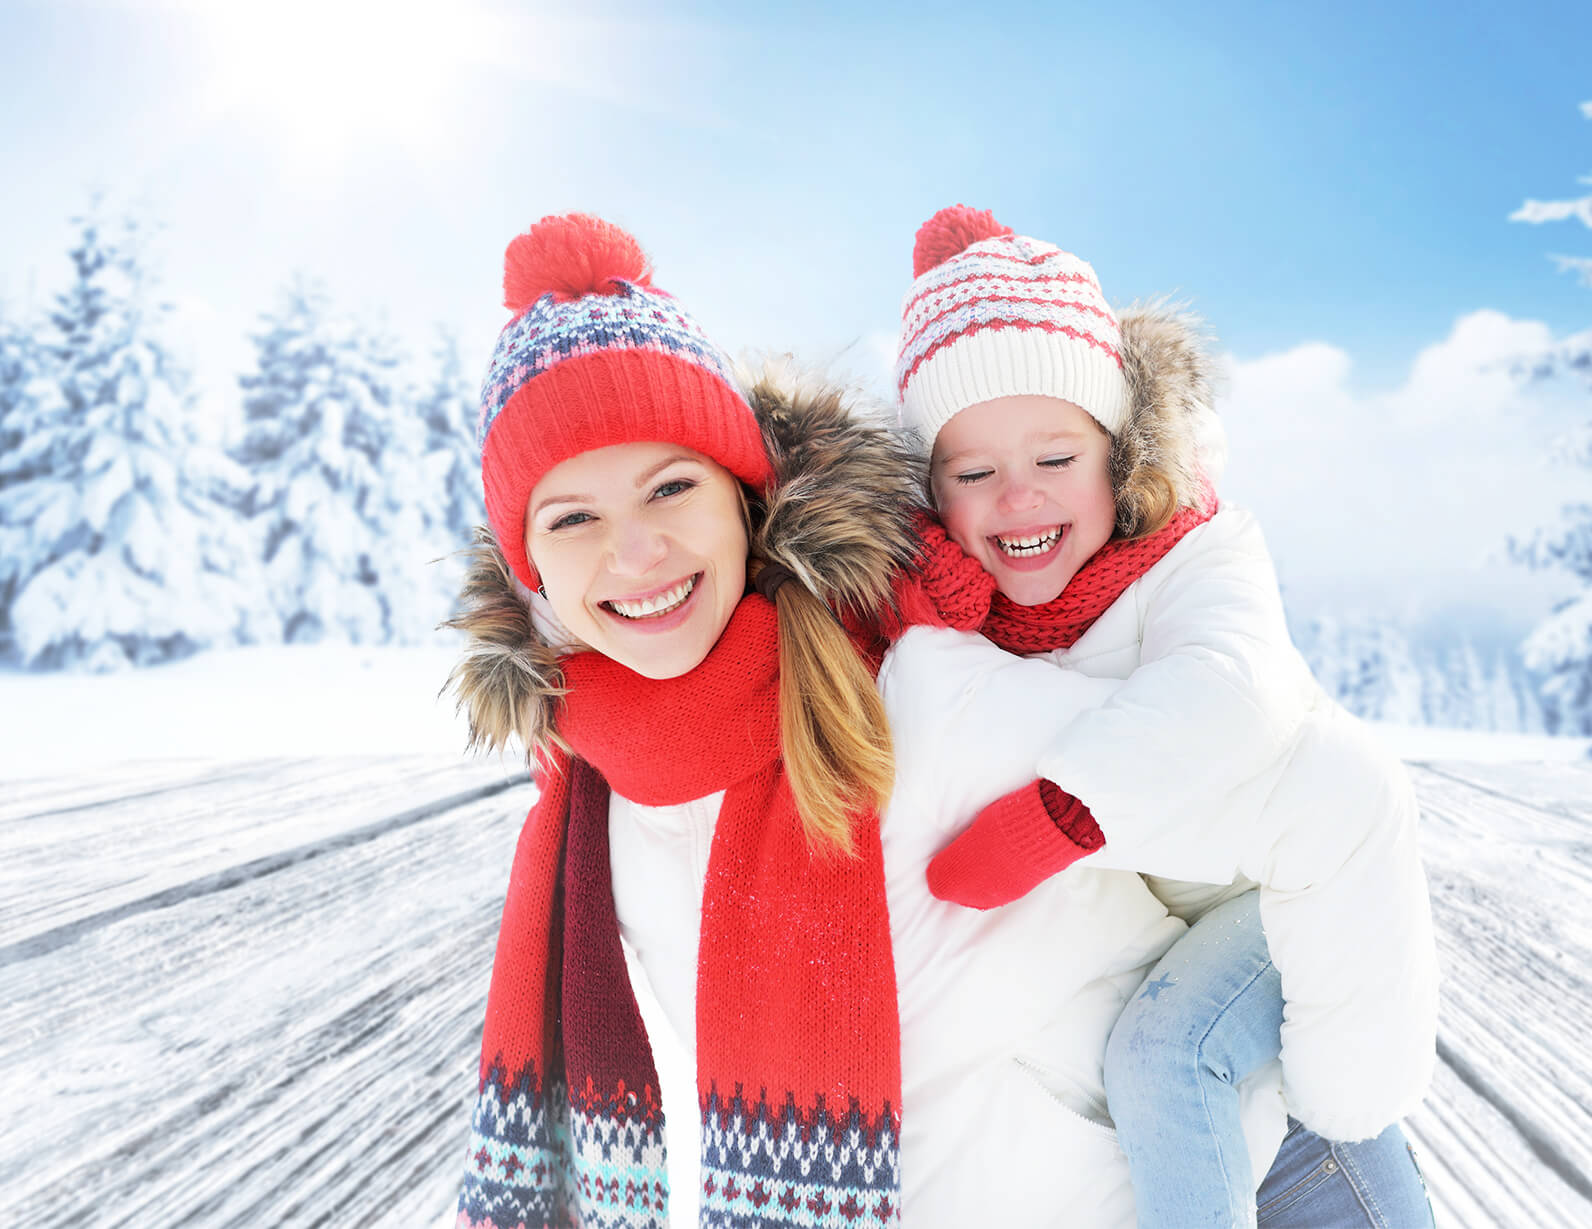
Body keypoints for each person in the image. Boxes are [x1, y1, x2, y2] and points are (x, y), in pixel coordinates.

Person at [445, 211, 1195, 1228]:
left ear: (744, 499)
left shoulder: (909, 676)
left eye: (672, 487)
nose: (634, 551)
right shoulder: (591, 795)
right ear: (530, 567)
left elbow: (1249, 811)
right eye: (571, 516)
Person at [885, 205, 1441, 1227]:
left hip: (1276, 895)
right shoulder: (968, 609)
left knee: (1182, 1059)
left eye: (1054, 458)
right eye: (972, 473)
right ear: (930, 490)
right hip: (1171, 915)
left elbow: (1229, 687)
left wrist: (1053, 818)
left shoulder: (1196, 548)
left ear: (1118, 449)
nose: (1017, 498)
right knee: (1210, 1082)